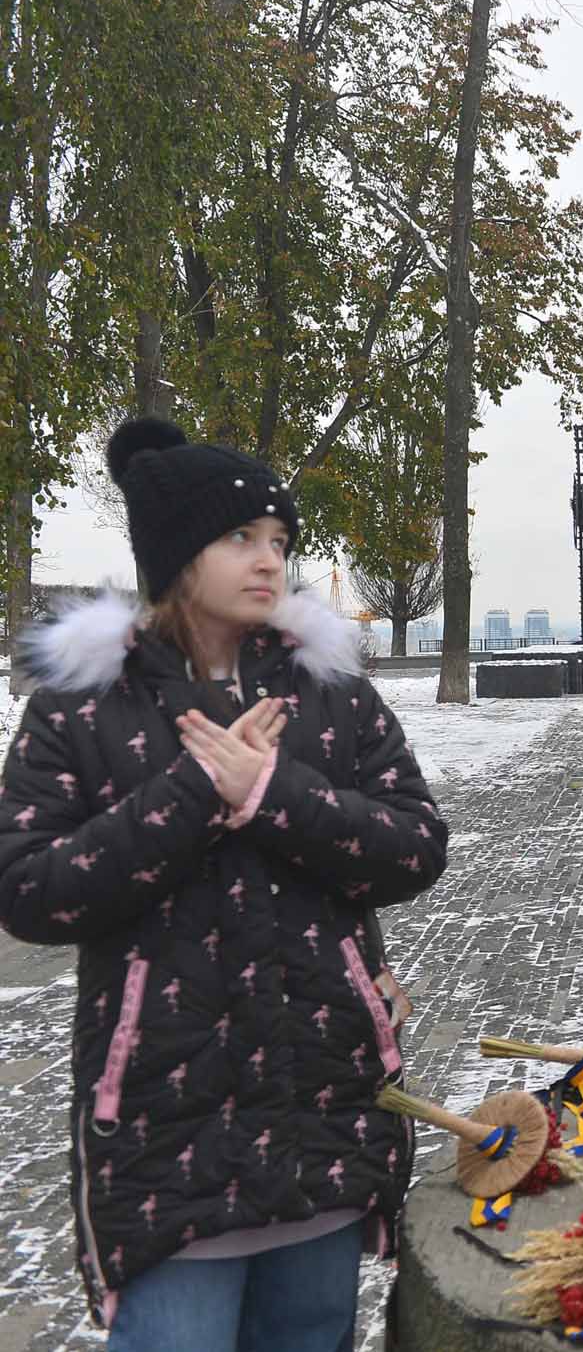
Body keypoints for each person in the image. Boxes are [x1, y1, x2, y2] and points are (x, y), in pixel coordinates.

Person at [0, 415, 449, 1351]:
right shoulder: (79, 710)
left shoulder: (330, 694)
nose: (269, 559)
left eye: (280, 540)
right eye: (241, 537)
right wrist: (195, 792)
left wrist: (275, 794)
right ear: (175, 556)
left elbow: (415, 846)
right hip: (167, 1137)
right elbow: (31, 889)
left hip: (323, 1115)